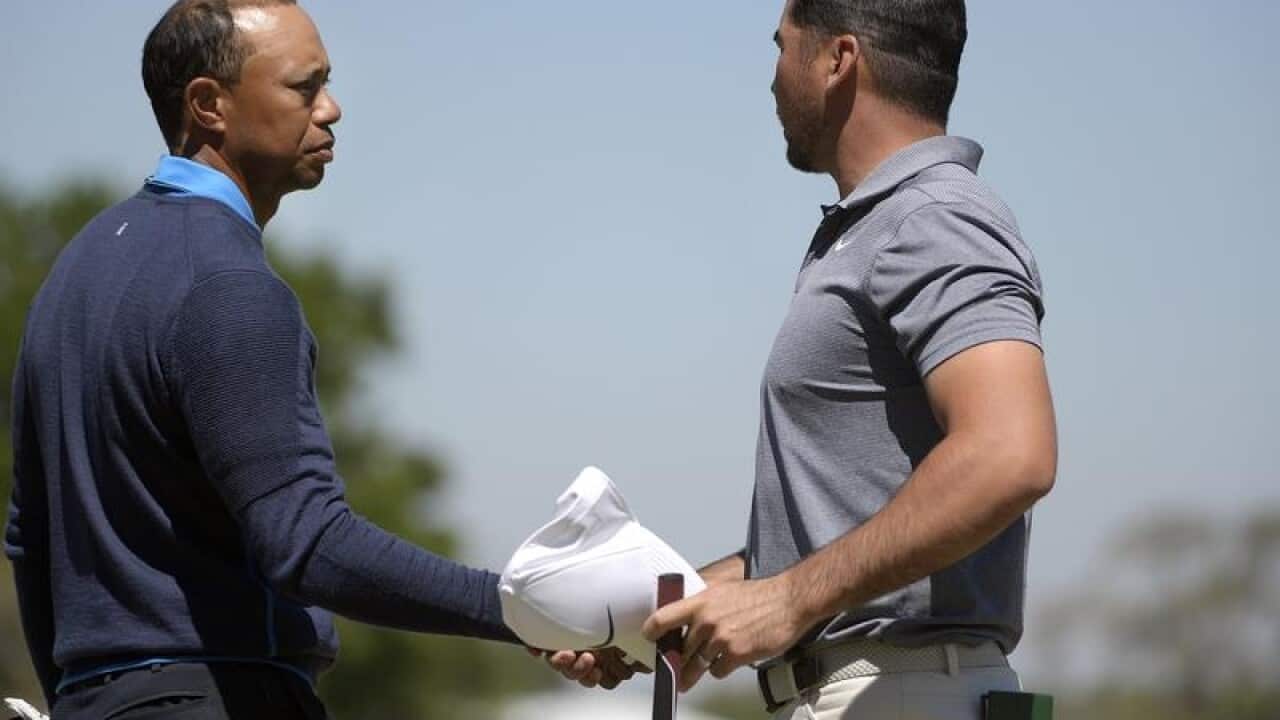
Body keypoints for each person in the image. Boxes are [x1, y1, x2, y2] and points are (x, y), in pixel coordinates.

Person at [3, 1, 628, 717]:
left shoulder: (72, 273)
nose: (331, 109)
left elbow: (29, 540)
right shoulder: (228, 286)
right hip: (225, 696)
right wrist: (525, 608)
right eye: (305, 87)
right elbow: (306, 540)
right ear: (208, 104)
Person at [639, 1, 1058, 718]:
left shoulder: (933, 217)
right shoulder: (879, 228)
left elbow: (1010, 454)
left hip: (897, 695)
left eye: (781, 47)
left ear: (838, 60)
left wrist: (790, 599)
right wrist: (676, 609)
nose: (772, 79)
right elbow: (843, 535)